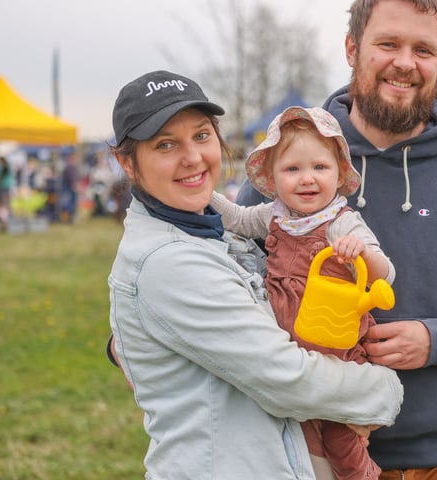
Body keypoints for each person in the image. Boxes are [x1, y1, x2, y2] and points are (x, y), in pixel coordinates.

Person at [236, 1, 437, 478]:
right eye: (388, 44)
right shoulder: (293, 162)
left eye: (423, 49)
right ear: (352, 49)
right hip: (316, 455)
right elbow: (225, 276)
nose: (405, 62)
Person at [106, 69, 403, 479]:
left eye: (202, 135)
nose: (192, 157)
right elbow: (286, 379)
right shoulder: (168, 260)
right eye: (165, 144)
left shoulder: (205, 228)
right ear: (127, 163)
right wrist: (384, 391)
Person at [210, 105, 395, 480]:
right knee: (303, 443)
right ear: (273, 178)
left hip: (336, 354)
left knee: (343, 439)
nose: (307, 179)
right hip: (290, 353)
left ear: (339, 173)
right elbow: (237, 220)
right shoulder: (274, 216)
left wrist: (359, 252)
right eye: (292, 169)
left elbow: (385, 274)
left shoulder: (341, 222)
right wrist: (203, 193)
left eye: (319, 168)